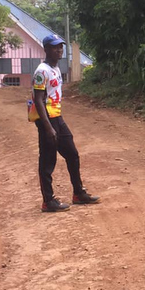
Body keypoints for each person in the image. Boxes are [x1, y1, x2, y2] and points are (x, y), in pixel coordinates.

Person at [29, 34, 100, 212]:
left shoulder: (56, 68)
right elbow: (38, 100)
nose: (59, 50)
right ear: (46, 49)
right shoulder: (42, 71)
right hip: (47, 119)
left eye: (61, 46)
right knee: (47, 161)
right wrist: (48, 128)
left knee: (72, 154)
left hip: (58, 117)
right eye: (55, 47)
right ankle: (48, 201)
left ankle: (78, 193)